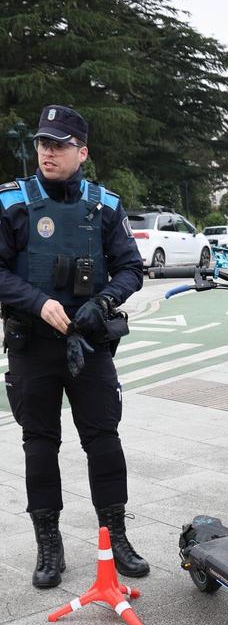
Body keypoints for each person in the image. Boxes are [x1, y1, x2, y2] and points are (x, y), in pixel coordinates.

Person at [0, 104, 148, 587]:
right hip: (33, 346)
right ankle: (49, 543)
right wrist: (39, 303)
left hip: (90, 343)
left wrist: (104, 302)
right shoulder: (12, 203)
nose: (48, 151)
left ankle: (116, 536)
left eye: (60, 144)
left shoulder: (104, 205)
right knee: (39, 444)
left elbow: (131, 268)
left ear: (81, 152)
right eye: (43, 143)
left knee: (104, 440)